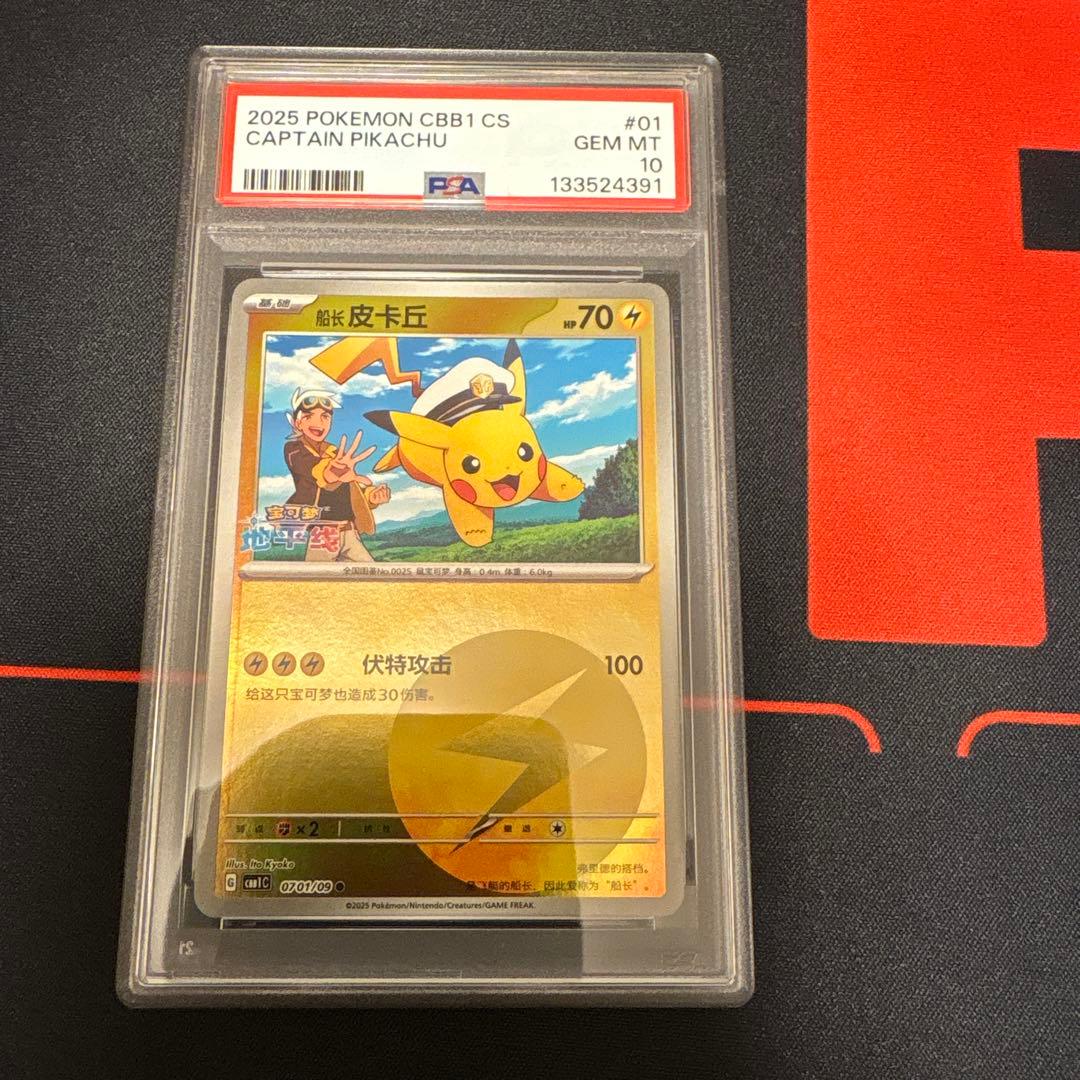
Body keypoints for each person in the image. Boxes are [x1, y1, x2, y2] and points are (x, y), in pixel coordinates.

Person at [283, 388, 391, 562]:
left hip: (350, 531)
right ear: (298, 423)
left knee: (370, 574)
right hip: (323, 533)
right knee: (318, 578)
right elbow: (314, 471)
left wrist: (371, 497)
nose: (318, 422)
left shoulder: (335, 452)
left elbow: (350, 489)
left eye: (325, 416)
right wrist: (331, 472)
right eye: (309, 416)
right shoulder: (294, 450)